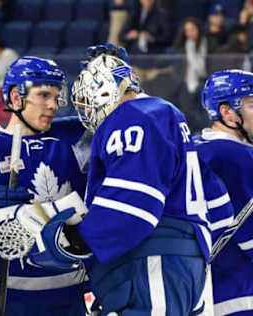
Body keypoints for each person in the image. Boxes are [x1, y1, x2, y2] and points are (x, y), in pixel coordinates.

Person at [23, 51, 230, 315]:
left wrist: (77, 240)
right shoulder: (166, 115)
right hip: (186, 264)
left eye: (88, 100)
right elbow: (219, 204)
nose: (87, 111)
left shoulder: (131, 116)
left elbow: (134, 206)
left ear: (106, 90)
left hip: (153, 261)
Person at [0, 56, 91, 316]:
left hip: (67, 298)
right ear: (16, 96)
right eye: (44, 94)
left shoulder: (75, 138)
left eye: (57, 96)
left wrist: (125, 86)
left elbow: (127, 121)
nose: (53, 105)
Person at [195, 69, 253, 316]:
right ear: (227, 112)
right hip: (241, 293)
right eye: (252, 104)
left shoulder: (195, 148)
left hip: (203, 292)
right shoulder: (236, 155)